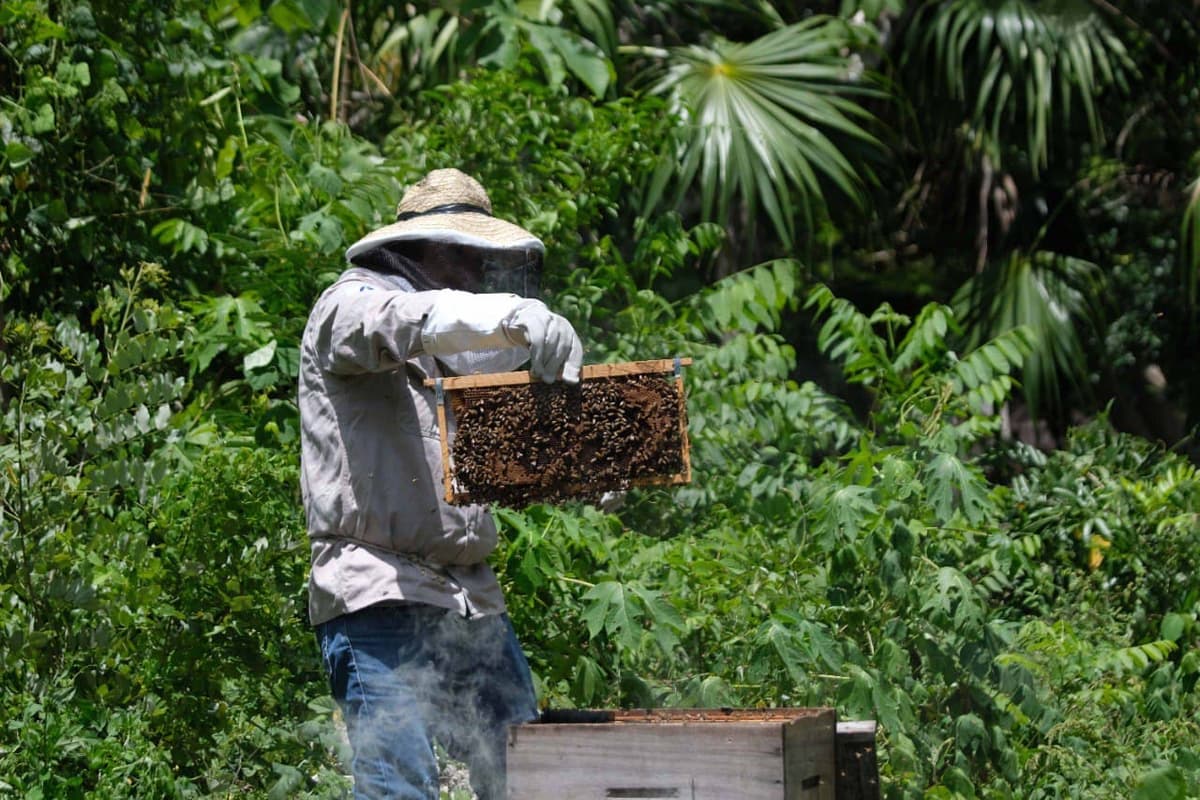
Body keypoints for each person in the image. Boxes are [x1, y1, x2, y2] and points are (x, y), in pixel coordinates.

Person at [298, 168, 583, 800]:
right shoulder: (348, 306)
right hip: (378, 590)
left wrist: (586, 470)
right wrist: (511, 318)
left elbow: (509, 459)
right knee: (401, 787)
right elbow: (408, 321)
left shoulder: (463, 344)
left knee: (525, 776)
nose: (484, 273)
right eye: (471, 255)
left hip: (470, 598)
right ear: (427, 249)